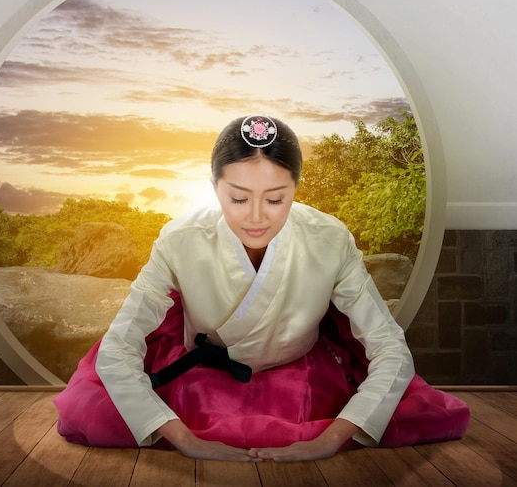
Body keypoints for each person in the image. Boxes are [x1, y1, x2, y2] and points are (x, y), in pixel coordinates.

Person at [54, 114, 469, 462]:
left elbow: (389, 348)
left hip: (302, 374)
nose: (256, 217)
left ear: (296, 188)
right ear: (214, 186)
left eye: (276, 199)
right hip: (203, 373)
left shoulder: (329, 238)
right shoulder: (179, 238)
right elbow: (117, 349)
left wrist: (328, 440)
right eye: (237, 198)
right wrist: (185, 440)